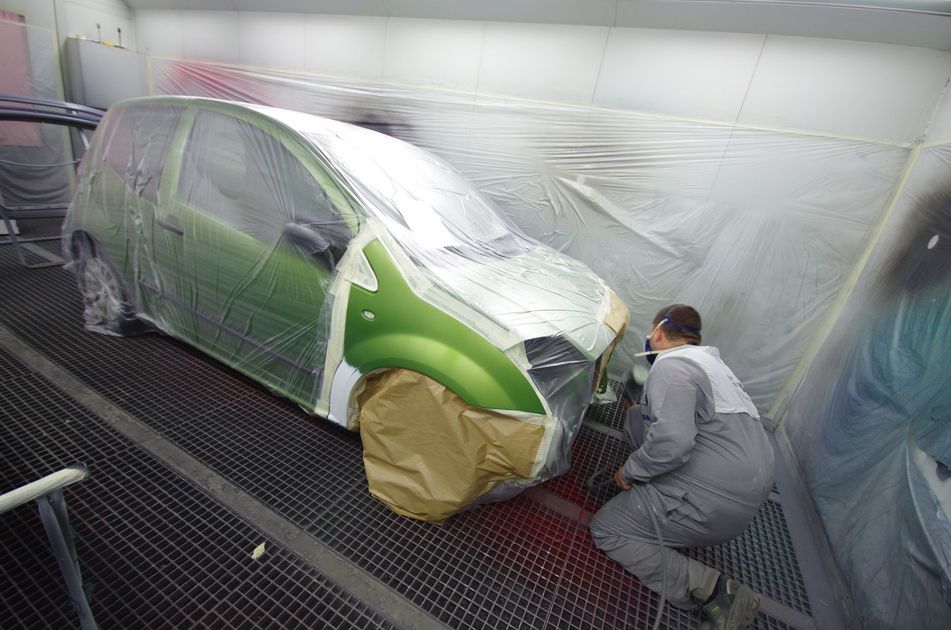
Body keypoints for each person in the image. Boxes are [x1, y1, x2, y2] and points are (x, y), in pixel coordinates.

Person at [589, 304, 775, 630]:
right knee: (636, 419)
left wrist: (630, 472)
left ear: (659, 331)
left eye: (652, 333)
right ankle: (663, 503)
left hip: (711, 498)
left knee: (609, 528)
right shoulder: (714, 368)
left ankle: (716, 591)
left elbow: (673, 442)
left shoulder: (671, 365)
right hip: (746, 493)